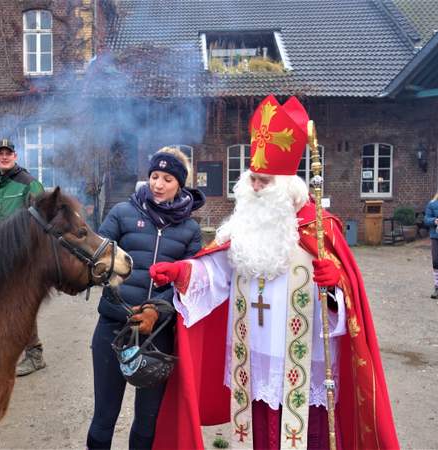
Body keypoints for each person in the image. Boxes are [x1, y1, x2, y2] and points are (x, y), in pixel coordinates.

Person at [149, 96, 399, 450]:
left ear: (286, 185)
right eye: (252, 179)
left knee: (308, 434)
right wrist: (182, 271)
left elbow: (348, 302)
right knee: (261, 429)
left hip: (303, 355)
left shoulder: (319, 228)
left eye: (263, 181)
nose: (254, 188)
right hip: (255, 353)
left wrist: (335, 288)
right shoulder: (243, 228)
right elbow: (218, 271)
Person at [86, 147, 205, 449]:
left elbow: (188, 281)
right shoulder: (122, 213)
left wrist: (156, 311)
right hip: (114, 328)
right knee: (104, 416)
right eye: (154, 176)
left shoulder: (190, 229)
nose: (158, 184)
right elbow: (98, 260)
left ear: (180, 184)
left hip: (157, 336)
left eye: (167, 178)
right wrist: (119, 300)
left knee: (147, 421)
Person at [0, 138, 46, 376]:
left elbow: (43, 221)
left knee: (19, 305)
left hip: (18, 257)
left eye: (9, 153)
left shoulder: (29, 184)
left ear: (15, 156)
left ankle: (35, 355)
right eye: (0, 153)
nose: (4, 156)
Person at [424, 192, 438, 299]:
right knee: (436, 262)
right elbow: (426, 220)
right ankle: (437, 288)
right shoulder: (432, 204)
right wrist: (434, 220)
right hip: (436, 237)